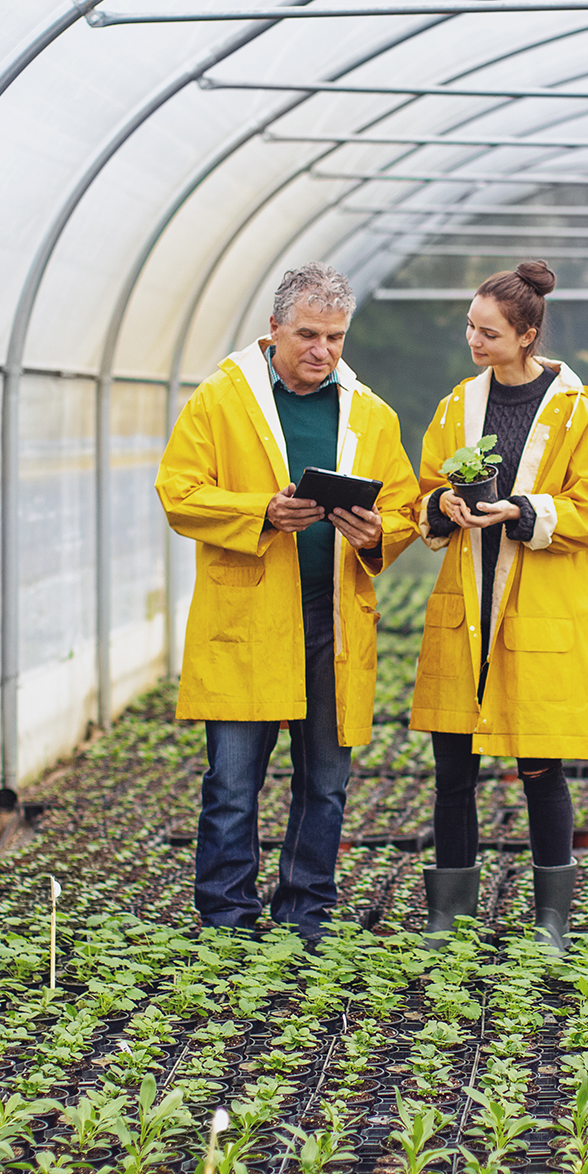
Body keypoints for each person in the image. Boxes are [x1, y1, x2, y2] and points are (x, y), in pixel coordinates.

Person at [156, 263, 419, 938]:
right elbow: (179, 492)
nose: (322, 351)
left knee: (325, 781)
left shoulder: (369, 414)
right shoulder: (220, 400)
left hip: (331, 617)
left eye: (335, 337)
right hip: (249, 618)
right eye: (307, 334)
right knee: (233, 781)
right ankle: (227, 915)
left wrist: (376, 533)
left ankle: (306, 911)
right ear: (273, 330)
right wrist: (262, 513)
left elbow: (404, 507)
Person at [410, 261, 588, 948]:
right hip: (466, 606)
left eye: (490, 332)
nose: (475, 341)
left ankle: (551, 919)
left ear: (526, 335)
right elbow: (422, 490)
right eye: (471, 327)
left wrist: (524, 510)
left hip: (533, 614)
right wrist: (440, 507)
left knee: (540, 768)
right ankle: (449, 916)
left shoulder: (574, 412)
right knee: (453, 767)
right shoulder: (457, 405)